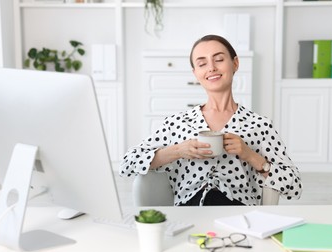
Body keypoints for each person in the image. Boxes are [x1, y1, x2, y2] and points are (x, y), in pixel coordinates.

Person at [120, 34, 302, 206]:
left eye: (219, 59)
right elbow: (127, 164)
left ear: (235, 63)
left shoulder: (259, 125)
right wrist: (177, 150)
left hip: (239, 214)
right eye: (202, 63)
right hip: (190, 213)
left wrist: (250, 155)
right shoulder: (177, 123)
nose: (211, 68)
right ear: (195, 73)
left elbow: (294, 186)